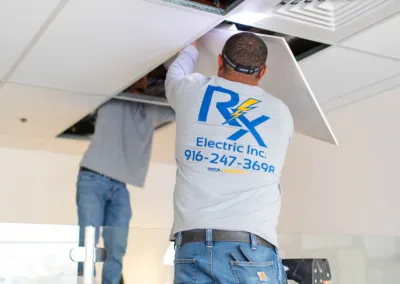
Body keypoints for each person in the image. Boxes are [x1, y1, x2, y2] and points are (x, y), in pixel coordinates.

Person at [165, 32, 293, 284]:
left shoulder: (191, 91)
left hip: (193, 247)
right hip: (251, 249)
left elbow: (174, 75)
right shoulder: (281, 112)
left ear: (220, 61)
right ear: (263, 71)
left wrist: (192, 46)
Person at [76, 76, 175, 284]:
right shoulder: (110, 99)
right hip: (92, 177)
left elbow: (178, 110)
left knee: (117, 246)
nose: (143, 81)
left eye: (146, 78)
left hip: (119, 185)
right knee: (88, 240)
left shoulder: (149, 109)